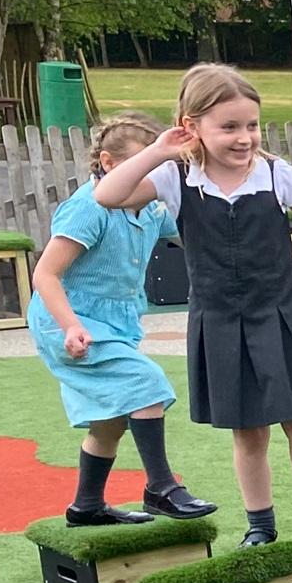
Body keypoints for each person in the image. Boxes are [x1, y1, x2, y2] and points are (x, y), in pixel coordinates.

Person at [93, 63, 292, 546]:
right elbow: (108, 195)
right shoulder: (176, 179)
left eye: (252, 125)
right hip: (220, 324)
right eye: (230, 127)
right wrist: (158, 149)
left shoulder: (276, 174)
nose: (245, 138)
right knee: (249, 432)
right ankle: (260, 526)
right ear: (192, 127)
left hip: (281, 318)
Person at [28, 112, 216, 526]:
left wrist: (282, 258)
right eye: (147, 164)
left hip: (114, 324)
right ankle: (161, 487)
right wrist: (71, 326)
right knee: (145, 384)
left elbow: (206, 237)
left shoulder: (147, 209)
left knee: (109, 422)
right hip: (68, 321)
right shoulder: (88, 210)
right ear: (110, 163)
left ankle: (87, 506)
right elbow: (45, 273)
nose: (155, 177)